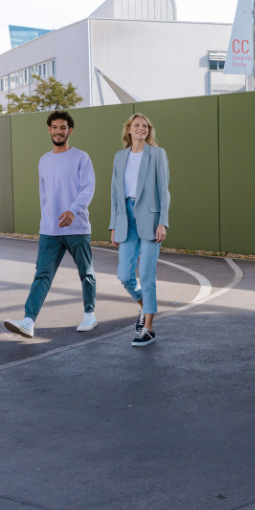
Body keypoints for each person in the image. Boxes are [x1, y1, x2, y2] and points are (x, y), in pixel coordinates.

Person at [5, 110, 97, 338]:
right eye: (54, 127)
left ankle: (89, 314)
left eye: (63, 127)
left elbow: (88, 189)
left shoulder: (81, 158)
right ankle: (28, 321)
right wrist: (46, 220)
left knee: (86, 273)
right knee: (42, 275)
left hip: (77, 227)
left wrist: (74, 211)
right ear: (49, 129)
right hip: (50, 230)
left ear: (70, 130)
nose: (58, 131)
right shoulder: (44, 161)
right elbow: (43, 195)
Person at [110, 113, 170, 347]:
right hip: (126, 218)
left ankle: (149, 328)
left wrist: (163, 222)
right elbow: (115, 193)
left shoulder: (157, 154)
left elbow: (164, 191)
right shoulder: (119, 157)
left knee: (146, 275)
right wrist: (113, 224)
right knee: (124, 275)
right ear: (128, 130)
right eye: (136, 125)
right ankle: (144, 307)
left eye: (144, 126)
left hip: (150, 219)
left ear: (149, 130)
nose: (141, 129)